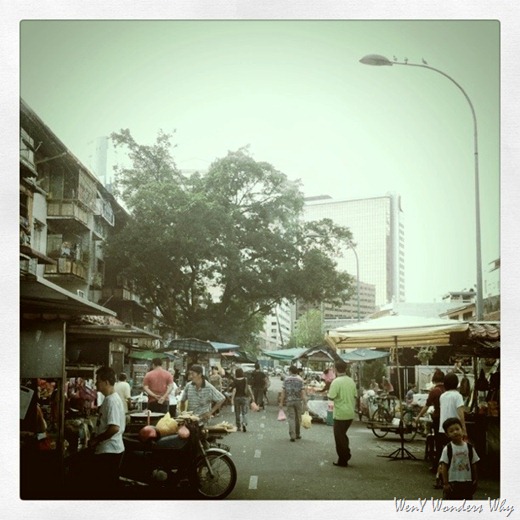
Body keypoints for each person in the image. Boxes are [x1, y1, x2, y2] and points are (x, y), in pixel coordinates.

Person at [88, 366, 126, 498]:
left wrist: (96, 440)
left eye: (98, 380)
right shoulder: (109, 399)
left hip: (110, 451)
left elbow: (114, 428)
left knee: (106, 488)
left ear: (106, 382)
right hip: (110, 449)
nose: (95, 383)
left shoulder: (112, 401)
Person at [439, 417, 479, 500]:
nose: (455, 432)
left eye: (457, 429)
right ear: (447, 434)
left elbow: (474, 464)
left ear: (462, 430)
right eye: (451, 431)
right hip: (452, 482)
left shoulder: (469, 448)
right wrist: (445, 483)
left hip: (467, 482)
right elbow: (444, 466)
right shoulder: (448, 449)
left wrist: (475, 478)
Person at [327, 360, 357, 467]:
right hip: (350, 413)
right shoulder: (351, 381)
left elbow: (331, 396)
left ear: (335, 369)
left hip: (340, 414)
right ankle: (345, 455)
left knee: (339, 437)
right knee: (342, 435)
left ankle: (343, 458)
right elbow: (355, 396)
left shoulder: (336, 382)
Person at [415, 369, 445, 473]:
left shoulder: (434, 391)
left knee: (438, 442)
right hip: (448, 418)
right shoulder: (448, 390)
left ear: (434, 380)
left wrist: (419, 416)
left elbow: (427, 406)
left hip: (437, 418)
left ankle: (437, 466)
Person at [280, 365, 307, 442]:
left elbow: (283, 392)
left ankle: (292, 435)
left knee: (291, 418)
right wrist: (305, 403)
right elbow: (302, 392)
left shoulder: (286, 379)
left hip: (289, 401)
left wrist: (281, 402)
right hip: (298, 401)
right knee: (298, 418)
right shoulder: (300, 379)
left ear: (290, 371)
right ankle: (297, 434)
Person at [229, 367, 255, 432]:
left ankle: (238, 426)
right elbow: (249, 388)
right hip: (244, 398)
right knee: (244, 412)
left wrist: (232, 399)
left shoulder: (235, 380)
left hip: (237, 398)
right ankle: (244, 423)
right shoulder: (245, 380)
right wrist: (252, 396)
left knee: (237, 412)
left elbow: (234, 390)